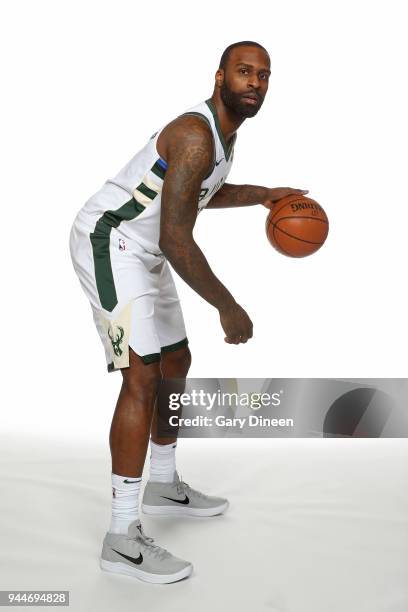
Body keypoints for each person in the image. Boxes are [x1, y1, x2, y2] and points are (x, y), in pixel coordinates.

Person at [69, 40, 308, 584]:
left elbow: (196, 192)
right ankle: (121, 537)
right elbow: (179, 239)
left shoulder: (222, 139)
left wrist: (265, 194)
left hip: (146, 244)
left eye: (264, 76)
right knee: (143, 375)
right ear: (219, 75)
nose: (255, 83)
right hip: (112, 241)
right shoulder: (197, 134)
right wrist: (230, 308)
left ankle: (162, 483)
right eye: (245, 72)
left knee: (176, 362)